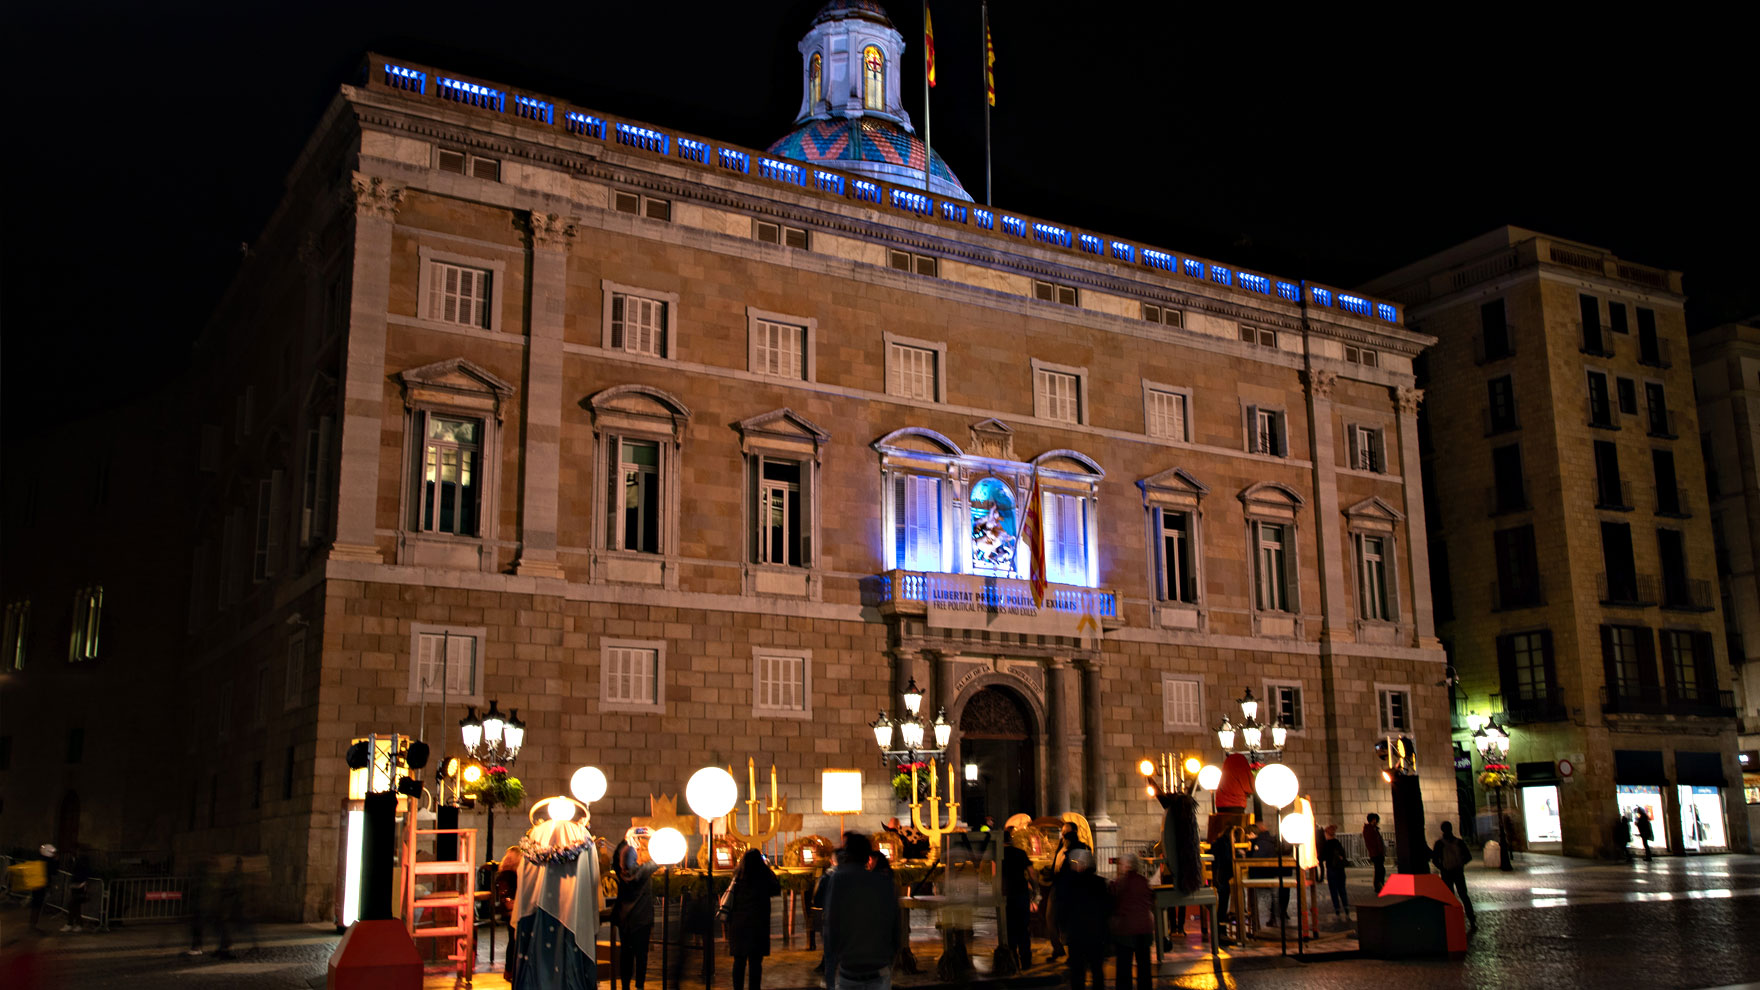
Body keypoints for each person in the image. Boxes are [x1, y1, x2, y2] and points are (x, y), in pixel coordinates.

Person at [826, 833, 899, 990]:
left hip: (851, 970)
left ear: (847, 855)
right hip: (879, 968)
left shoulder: (839, 880)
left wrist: (830, 974)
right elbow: (895, 925)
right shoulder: (883, 883)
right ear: (867, 857)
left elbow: (831, 927)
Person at [725, 849, 782, 990]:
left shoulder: (737, 876)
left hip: (739, 926)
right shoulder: (764, 876)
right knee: (756, 963)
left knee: (739, 961)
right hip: (758, 926)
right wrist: (768, 869)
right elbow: (776, 889)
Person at [1053, 849, 1108, 990]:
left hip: (1076, 934)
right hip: (1096, 934)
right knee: (1097, 971)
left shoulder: (1068, 885)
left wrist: (1063, 929)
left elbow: (1062, 909)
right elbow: (1107, 908)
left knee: (1078, 972)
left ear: (1080, 864)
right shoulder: (1100, 883)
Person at [614, 837, 662, 990]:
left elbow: (617, 855)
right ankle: (640, 985)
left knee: (626, 954)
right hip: (642, 920)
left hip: (624, 919)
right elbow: (660, 859)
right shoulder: (644, 871)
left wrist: (625, 840)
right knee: (641, 955)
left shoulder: (619, 871)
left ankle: (625, 986)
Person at [1108, 853, 1152, 990]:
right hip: (1145, 929)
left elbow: (1113, 900)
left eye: (1121, 864)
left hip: (1126, 930)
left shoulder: (1121, 882)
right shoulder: (1143, 880)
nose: (1119, 867)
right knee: (1144, 967)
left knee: (1124, 967)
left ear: (1128, 865)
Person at [1047, 822, 1088, 960]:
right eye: (1062, 832)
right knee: (1050, 917)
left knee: (1069, 921)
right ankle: (1058, 948)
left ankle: (1073, 953)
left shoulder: (1078, 847)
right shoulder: (1061, 845)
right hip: (1057, 886)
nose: (1063, 835)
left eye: (1066, 832)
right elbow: (1056, 864)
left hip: (1070, 888)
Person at [1431, 822, 1476, 931]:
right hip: (1458, 872)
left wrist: (1442, 867)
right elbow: (1468, 856)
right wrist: (1460, 864)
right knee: (1464, 896)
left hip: (1446, 873)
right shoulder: (1459, 842)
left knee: (1449, 898)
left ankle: (1450, 921)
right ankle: (1472, 920)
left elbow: (1435, 859)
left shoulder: (1439, 844)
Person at [1246, 826, 1293, 926]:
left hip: (1265, 875)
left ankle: (1272, 919)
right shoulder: (1270, 841)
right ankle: (1279, 916)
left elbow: (1256, 859)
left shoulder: (1260, 843)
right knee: (1277, 896)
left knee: (1268, 898)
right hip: (1278, 873)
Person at [1001, 828, 1034, 969]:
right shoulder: (1020, 853)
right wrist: (1035, 888)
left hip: (1005, 895)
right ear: (1010, 839)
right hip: (1021, 893)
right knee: (1023, 929)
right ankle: (1026, 962)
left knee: (1009, 930)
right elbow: (1032, 873)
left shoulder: (998, 855)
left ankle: (1012, 961)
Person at [1318, 826, 1349, 919]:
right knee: (1342, 889)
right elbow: (1343, 855)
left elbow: (1322, 857)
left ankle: (1337, 909)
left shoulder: (1326, 845)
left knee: (1333, 890)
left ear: (1327, 834)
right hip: (1340, 870)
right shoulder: (1338, 843)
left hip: (1331, 869)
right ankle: (1346, 908)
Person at [1363, 814, 1387, 893]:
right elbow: (1372, 842)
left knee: (1380, 869)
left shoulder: (1374, 829)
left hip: (1378, 853)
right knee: (1379, 870)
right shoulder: (1369, 829)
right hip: (1375, 853)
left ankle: (1380, 885)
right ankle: (1378, 886)